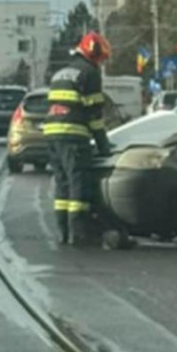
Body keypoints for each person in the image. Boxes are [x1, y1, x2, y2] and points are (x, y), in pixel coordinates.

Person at [44, 31, 115, 247]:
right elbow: (94, 115)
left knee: (62, 183)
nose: (101, 63)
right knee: (78, 182)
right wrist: (103, 146)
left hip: (52, 133)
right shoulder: (90, 73)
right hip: (73, 134)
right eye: (101, 58)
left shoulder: (61, 73)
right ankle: (79, 232)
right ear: (94, 54)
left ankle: (63, 232)